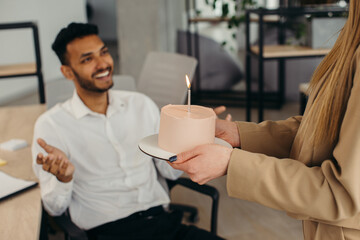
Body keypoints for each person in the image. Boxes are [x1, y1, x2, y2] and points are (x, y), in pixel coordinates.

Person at [169, 1, 360, 240]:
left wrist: (232, 163)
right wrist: (239, 134)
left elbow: (343, 194)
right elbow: (326, 131)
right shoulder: (352, 33)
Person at [32, 22, 223, 240]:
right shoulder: (51, 125)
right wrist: (63, 179)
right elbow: (54, 209)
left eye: (103, 52)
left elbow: (169, 170)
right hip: (108, 232)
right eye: (87, 59)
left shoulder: (141, 105)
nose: (102, 63)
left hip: (163, 223)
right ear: (67, 72)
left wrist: (197, 138)